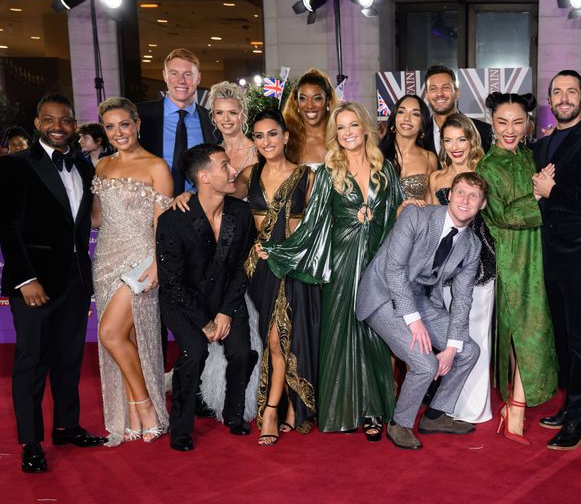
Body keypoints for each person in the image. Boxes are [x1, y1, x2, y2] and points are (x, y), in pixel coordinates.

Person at [264, 101, 403, 440]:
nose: (347, 133)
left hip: (377, 259)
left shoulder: (386, 169)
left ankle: (373, 409)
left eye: (353, 125)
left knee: (374, 334)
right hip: (341, 263)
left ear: (365, 128)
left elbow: (396, 213)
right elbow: (312, 223)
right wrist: (280, 250)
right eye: (340, 128)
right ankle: (342, 409)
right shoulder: (329, 172)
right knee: (342, 332)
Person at [0, 92, 106, 472]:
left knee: (68, 358)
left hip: (75, 280)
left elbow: (85, 223)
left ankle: (66, 426)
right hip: (34, 282)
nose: (58, 126)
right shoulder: (15, 166)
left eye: (66, 120)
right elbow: (7, 226)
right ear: (37, 123)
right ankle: (31, 442)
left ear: (74, 125)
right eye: (49, 119)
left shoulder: (84, 166)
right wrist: (26, 279)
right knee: (32, 361)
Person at [357, 174, 487, 449]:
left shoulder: (472, 245)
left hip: (420, 298)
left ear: (482, 204)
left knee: (468, 351)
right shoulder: (416, 216)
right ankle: (399, 424)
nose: (465, 200)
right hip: (383, 294)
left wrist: (451, 347)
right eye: (460, 192)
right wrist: (414, 321)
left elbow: (463, 299)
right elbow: (394, 270)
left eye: (473, 196)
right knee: (426, 364)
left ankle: (435, 415)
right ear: (449, 195)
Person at [531, 71, 581, 451]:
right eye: (557, 92)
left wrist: (554, 190)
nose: (564, 98)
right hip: (552, 257)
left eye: (571, 92)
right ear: (550, 100)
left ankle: (579, 418)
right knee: (564, 338)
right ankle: (580, 401)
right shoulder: (542, 145)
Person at [156, 144, 255, 451]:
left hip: (226, 297)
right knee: (194, 352)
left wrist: (225, 312)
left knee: (241, 352)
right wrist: (204, 323)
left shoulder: (241, 213)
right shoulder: (173, 220)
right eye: (225, 165)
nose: (234, 171)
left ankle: (234, 414)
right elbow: (171, 282)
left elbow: (244, 266)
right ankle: (180, 427)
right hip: (183, 302)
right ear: (204, 177)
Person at [476, 92, 557, 445]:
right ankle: (518, 408)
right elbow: (502, 215)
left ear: (528, 124)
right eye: (502, 122)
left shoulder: (530, 155)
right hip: (510, 255)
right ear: (491, 124)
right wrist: (538, 195)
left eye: (517, 122)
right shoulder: (487, 167)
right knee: (524, 328)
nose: (510, 130)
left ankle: (514, 402)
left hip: (538, 250)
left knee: (526, 328)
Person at [91, 96, 173, 445]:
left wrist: (157, 264)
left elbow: (162, 226)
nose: (118, 132)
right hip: (105, 259)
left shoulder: (156, 166)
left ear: (137, 124)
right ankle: (133, 413)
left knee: (110, 333)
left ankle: (146, 407)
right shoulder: (102, 166)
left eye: (124, 124)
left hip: (140, 258)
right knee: (126, 338)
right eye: (110, 127)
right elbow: (97, 218)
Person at [240, 108, 319, 446]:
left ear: (285, 136)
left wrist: (287, 252)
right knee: (274, 338)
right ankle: (289, 404)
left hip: (293, 267)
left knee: (280, 338)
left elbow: (315, 228)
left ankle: (271, 410)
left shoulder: (306, 176)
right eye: (259, 136)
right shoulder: (249, 174)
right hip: (259, 269)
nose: (266, 141)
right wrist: (186, 194)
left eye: (272, 133)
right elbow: (216, 193)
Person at [431, 114, 496, 423]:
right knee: (452, 336)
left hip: (480, 263)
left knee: (477, 334)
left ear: (472, 140)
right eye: (448, 140)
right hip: (445, 267)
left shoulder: (486, 171)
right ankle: (449, 405)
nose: (455, 146)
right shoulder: (436, 178)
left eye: (461, 139)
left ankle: (475, 409)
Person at [136, 48, 217, 196]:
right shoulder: (141, 115)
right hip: (150, 202)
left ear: (198, 78)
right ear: (165, 76)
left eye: (188, 74)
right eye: (174, 73)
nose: (181, 80)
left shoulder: (212, 121)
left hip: (198, 204)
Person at [422, 64, 493, 154]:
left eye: (446, 87)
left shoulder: (483, 131)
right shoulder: (419, 134)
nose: (439, 94)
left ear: (457, 93)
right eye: (433, 89)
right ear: (427, 95)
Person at [379, 93, 437, 204]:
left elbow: (431, 204)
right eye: (401, 112)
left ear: (422, 123)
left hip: (418, 215)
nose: (407, 118)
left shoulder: (429, 158)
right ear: (395, 118)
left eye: (415, 114)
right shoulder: (376, 154)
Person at [282, 68, 338, 167]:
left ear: (328, 101)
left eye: (317, 98)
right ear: (296, 102)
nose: (310, 106)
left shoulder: (340, 137)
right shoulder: (287, 142)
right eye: (303, 98)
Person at [208, 81, 258, 174]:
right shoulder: (213, 155)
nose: (226, 119)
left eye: (232, 113)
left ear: (243, 116)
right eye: (219, 113)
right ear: (214, 117)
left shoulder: (258, 153)